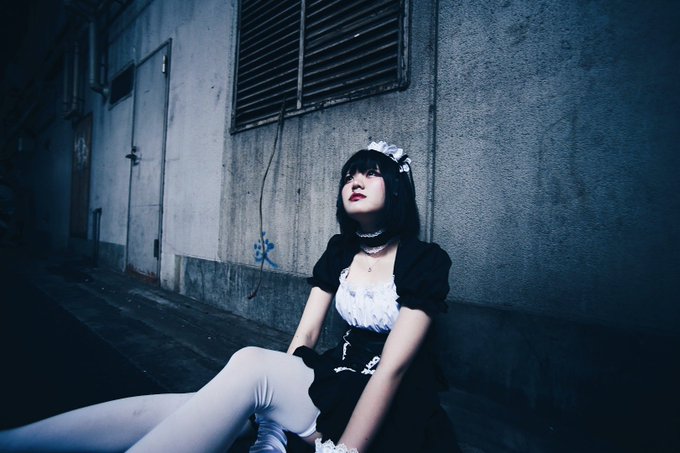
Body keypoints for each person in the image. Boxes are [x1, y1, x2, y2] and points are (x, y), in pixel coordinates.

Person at [0, 141, 459, 453]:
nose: (355, 181)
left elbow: (394, 368)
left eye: (371, 173)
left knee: (246, 373)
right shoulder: (340, 251)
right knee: (220, 394)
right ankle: (17, 441)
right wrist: (274, 406)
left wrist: (345, 450)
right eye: (349, 175)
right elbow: (306, 336)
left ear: (397, 189)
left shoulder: (425, 261)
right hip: (334, 380)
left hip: (390, 408)